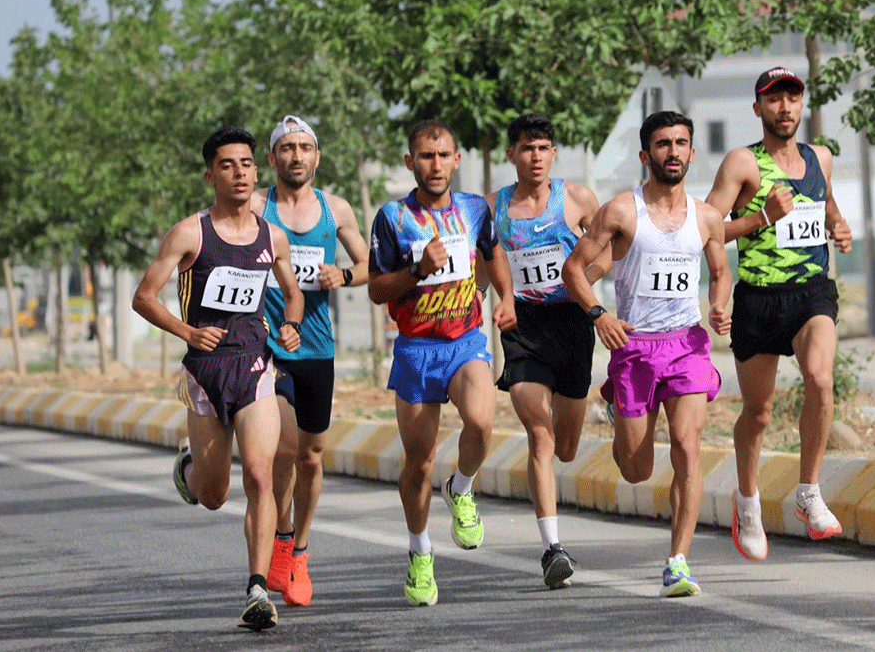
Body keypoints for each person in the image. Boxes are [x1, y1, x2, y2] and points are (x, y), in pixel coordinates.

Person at [131, 126, 304, 630]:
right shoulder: (189, 233)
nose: (241, 173)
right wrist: (188, 331)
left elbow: (292, 293)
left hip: (254, 365)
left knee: (259, 473)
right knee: (215, 496)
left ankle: (256, 588)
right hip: (205, 373)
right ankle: (189, 469)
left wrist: (290, 326)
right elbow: (144, 296)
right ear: (211, 175)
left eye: (248, 164)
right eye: (228, 165)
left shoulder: (273, 235)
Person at [563, 111, 732, 597]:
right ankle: (619, 406)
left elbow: (720, 272)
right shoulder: (621, 211)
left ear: (693, 153)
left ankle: (678, 561)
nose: (673, 151)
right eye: (662, 144)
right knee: (636, 470)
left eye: (681, 143)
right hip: (635, 347)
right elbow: (575, 269)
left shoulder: (706, 217)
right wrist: (600, 315)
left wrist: (719, 308)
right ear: (646, 155)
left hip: (687, 345)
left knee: (687, 446)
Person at [703, 67, 853, 562]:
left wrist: (838, 224)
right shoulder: (743, 162)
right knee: (759, 412)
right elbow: (706, 228)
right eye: (774, 99)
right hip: (759, 299)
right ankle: (748, 503)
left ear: (801, 105)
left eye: (792, 98)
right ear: (758, 108)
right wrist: (761, 217)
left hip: (812, 292)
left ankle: (808, 491)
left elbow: (825, 202)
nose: (784, 107)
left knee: (820, 378)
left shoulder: (820, 157)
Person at [367, 119, 517, 606]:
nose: (436, 165)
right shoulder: (392, 217)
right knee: (419, 461)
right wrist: (417, 270)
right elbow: (375, 289)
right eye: (425, 157)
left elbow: (492, 253)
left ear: (457, 159)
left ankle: (463, 487)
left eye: (444, 155)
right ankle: (420, 552)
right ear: (411, 162)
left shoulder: (475, 208)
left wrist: (507, 296)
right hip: (415, 348)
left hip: (465, 339)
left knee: (481, 419)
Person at [249, 116, 370, 607]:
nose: (296, 156)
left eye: (304, 148)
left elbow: (368, 267)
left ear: (317, 158)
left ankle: (299, 550)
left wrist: (342, 274)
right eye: (286, 148)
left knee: (312, 456)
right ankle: (279, 536)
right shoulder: (256, 207)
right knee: (283, 446)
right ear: (273, 158)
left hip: (317, 346)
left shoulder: (334, 209)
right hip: (266, 344)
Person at [486, 113, 610, 589]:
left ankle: (608, 406)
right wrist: (499, 300)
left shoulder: (576, 198)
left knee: (566, 446)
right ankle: (552, 548)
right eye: (525, 148)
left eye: (543, 147)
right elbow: (486, 261)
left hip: (572, 321)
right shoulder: (495, 208)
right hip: (523, 326)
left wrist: (581, 281)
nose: (535, 156)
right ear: (511, 154)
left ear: (553, 153)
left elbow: (607, 249)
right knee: (540, 435)